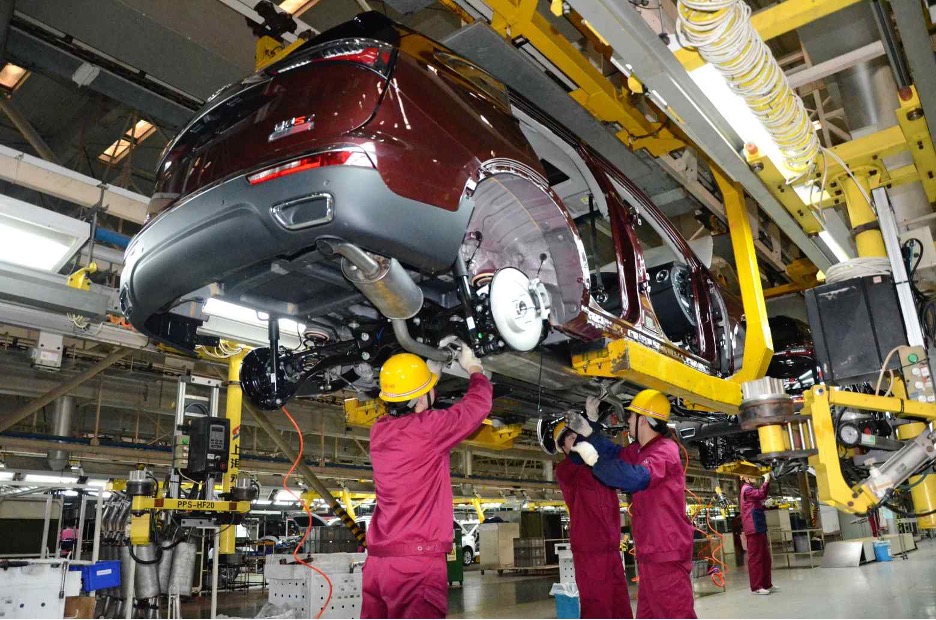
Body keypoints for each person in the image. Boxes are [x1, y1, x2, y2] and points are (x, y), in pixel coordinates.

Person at [361, 344, 492, 619]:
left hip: (378, 565)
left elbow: (412, 409)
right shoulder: (429, 429)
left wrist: (428, 375)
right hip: (415, 565)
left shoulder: (379, 432)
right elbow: (477, 407)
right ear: (421, 398)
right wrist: (475, 369)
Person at [566, 389, 696, 619]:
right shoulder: (640, 450)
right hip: (650, 554)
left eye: (632, 416)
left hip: (665, 552)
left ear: (643, 420)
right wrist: (590, 430)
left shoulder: (665, 449)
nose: (627, 420)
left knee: (675, 614)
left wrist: (595, 461)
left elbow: (637, 478)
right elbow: (615, 454)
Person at [543, 396, 632, 619]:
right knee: (597, 606)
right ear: (562, 448)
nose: (575, 438)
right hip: (589, 550)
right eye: (569, 437)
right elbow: (578, 457)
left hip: (611, 546)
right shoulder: (566, 471)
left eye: (576, 432)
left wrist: (592, 428)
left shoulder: (598, 462)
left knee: (620, 604)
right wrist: (590, 426)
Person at [740, 473, 775, 595]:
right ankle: (757, 586)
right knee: (756, 559)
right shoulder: (747, 489)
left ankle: (766, 584)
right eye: (752, 475)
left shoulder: (750, 489)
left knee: (765, 558)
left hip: (759, 527)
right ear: (745, 477)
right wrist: (766, 480)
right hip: (753, 528)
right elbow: (761, 494)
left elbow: (754, 507)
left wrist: (764, 505)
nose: (755, 477)